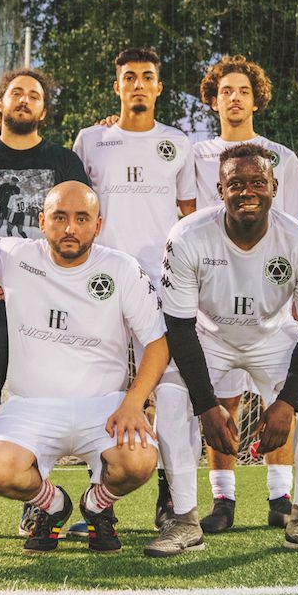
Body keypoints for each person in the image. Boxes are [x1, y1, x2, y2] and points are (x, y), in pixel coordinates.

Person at [148, 143, 298, 556]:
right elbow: (179, 327)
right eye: (236, 183)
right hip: (208, 336)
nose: (247, 191)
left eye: (258, 182)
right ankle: (183, 520)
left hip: (273, 336)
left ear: (274, 187)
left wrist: (288, 402)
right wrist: (206, 405)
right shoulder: (187, 236)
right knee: (169, 392)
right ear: (220, 190)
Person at [0, 182, 167, 553]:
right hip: (30, 405)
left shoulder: (122, 268)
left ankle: (96, 505)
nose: (70, 228)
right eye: (59, 217)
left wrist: (134, 403)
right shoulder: (14, 256)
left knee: (140, 459)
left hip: (104, 406)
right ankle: (52, 505)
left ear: (98, 225)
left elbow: (158, 345)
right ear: (41, 221)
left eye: (82, 219)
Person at [0, 69, 89, 536]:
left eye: (34, 95)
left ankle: (37, 500)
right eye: (17, 93)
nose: (25, 100)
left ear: (44, 109)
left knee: (40, 401)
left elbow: (79, 230)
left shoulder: (64, 161)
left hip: (46, 306)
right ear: (1, 103)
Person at [72, 47, 196, 530]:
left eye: (147, 77)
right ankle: (99, 502)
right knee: (99, 387)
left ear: (159, 87)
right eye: (129, 77)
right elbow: (76, 208)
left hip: (161, 283)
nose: (138, 84)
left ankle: (171, 498)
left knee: (168, 390)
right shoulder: (91, 140)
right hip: (100, 280)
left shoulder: (177, 143)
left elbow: (189, 215)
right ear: (117, 86)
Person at [189, 56, 298, 534]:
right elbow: (187, 220)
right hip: (214, 294)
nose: (234, 98)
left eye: (243, 90)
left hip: (270, 296)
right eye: (225, 91)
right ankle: (223, 500)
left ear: (256, 99)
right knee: (223, 397)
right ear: (213, 100)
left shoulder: (282, 157)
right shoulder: (196, 155)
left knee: (280, 395)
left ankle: (281, 497)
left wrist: (297, 300)